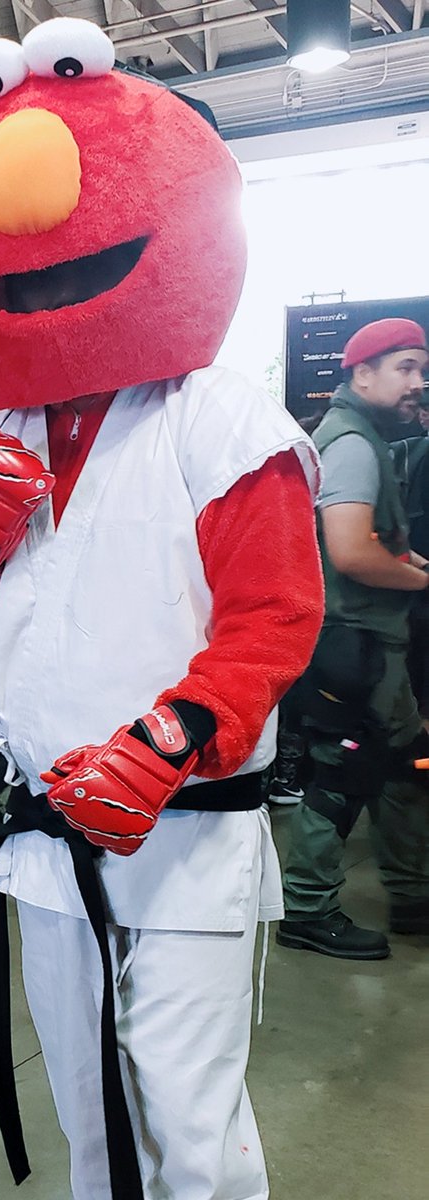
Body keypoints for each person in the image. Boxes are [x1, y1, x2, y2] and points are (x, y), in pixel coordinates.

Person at [0, 18, 324, 1199]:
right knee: (89, 1115)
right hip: (43, 834)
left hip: (184, 829)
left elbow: (273, 618)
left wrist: (172, 737)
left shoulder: (217, 417)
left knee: (189, 1125)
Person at [279, 317, 429, 959]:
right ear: (362, 374)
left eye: (421, 370)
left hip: (369, 645)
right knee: (347, 770)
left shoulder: (360, 436)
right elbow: (350, 553)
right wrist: (424, 581)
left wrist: (412, 563)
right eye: (405, 368)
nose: (417, 383)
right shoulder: (352, 444)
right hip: (355, 647)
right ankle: (306, 908)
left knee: (403, 764)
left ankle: (413, 893)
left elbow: (375, 541)